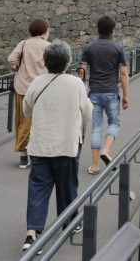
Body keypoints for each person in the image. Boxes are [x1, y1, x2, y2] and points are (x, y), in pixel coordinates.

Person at [21, 40, 92, 252]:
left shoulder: (38, 82)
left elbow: (26, 110)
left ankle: (32, 234)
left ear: (45, 62)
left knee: (38, 188)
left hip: (41, 144)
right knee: (67, 186)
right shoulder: (75, 83)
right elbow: (89, 112)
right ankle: (69, 222)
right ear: (67, 62)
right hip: (66, 144)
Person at [77, 16, 129, 175]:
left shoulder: (89, 47)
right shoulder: (118, 48)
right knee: (114, 123)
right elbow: (123, 73)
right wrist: (126, 95)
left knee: (96, 128)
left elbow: (82, 71)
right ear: (112, 30)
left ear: (98, 29)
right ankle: (106, 150)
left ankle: (95, 166)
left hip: (94, 93)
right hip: (111, 91)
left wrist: (79, 92)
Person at [7, 18, 51, 169]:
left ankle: (23, 154)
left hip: (23, 88)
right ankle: (37, 153)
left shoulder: (24, 43)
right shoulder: (48, 46)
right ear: (44, 31)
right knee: (41, 121)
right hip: (43, 88)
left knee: (23, 121)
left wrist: (17, 68)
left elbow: (11, 59)